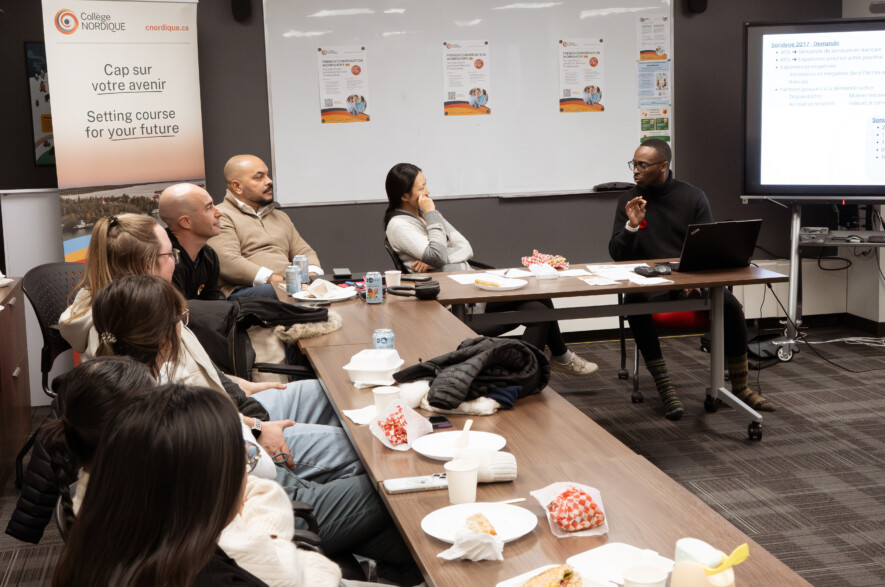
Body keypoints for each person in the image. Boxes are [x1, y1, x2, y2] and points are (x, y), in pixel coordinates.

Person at [58, 215, 363, 482]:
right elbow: (181, 415)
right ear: (146, 264)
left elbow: (196, 372)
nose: (176, 259)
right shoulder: (128, 330)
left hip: (232, 408)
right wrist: (258, 428)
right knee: (360, 449)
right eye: (170, 253)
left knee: (327, 393)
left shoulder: (147, 308)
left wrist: (240, 385)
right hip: (223, 440)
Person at [608, 138, 775, 420]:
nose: (634, 170)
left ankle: (740, 388)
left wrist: (696, 278)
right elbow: (616, 254)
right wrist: (631, 227)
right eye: (633, 164)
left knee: (731, 306)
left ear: (663, 166)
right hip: (650, 285)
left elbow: (710, 247)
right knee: (634, 304)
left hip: (690, 280)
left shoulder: (692, 196)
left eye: (641, 164)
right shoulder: (628, 200)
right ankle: (665, 387)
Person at [384, 162, 598, 377]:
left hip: (472, 293)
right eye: (421, 188)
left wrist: (436, 258)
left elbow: (465, 247)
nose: (428, 192)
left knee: (541, 300)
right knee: (540, 313)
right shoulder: (400, 225)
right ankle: (526, 374)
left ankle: (556, 359)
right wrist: (434, 230)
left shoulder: (425, 214)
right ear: (404, 195)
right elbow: (438, 253)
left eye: (426, 185)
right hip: (454, 307)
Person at [51, 382, 268, 586]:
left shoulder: (102, 548)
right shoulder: (216, 576)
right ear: (206, 490)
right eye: (245, 461)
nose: (246, 475)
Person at [207, 154, 323, 299]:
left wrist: (311, 277)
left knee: (338, 287)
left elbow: (304, 251)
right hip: (244, 291)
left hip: (289, 285)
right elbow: (228, 262)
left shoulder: (280, 217)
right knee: (282, 292)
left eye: (267, 175)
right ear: (237, 186)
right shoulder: (221, 215)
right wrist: (279, 281)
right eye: (259, 177)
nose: (269, 181)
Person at [157, 182, 228, 300]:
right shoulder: (167, 262)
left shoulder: (209, 255)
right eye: (209, 207)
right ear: (186, 222)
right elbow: (177, 312)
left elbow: (215, 301)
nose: (219, 213)